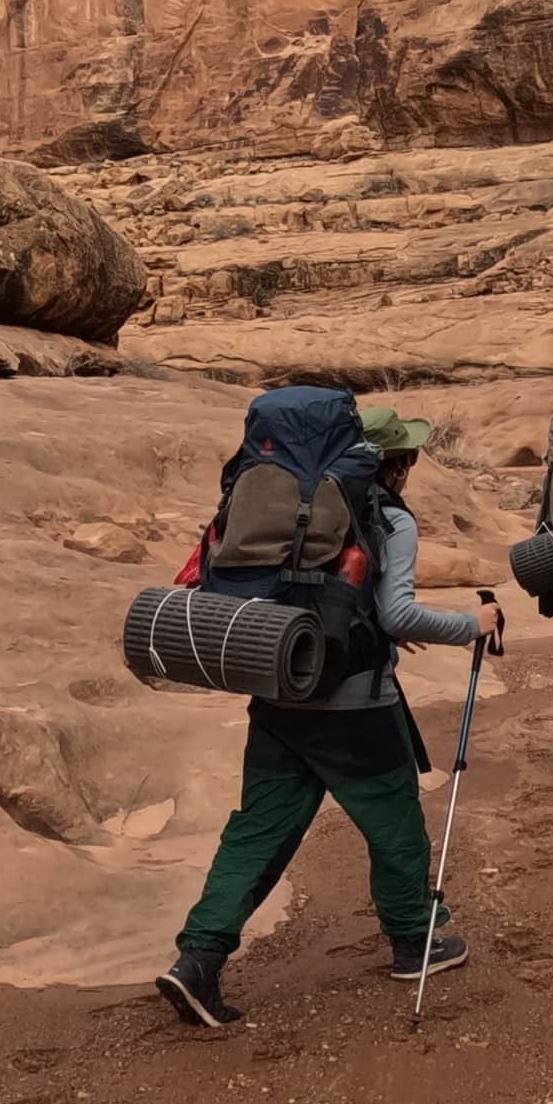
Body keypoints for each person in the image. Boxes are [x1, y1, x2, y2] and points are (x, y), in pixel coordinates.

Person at [156, 407, 501, 1027]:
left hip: (278, 691)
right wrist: (468, 626)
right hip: (357, 710)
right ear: (396, 464)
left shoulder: (269, 503)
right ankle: (413, 942)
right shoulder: (386, 516)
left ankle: (198, 960)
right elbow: (397, 614)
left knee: (256, 833)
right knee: (395, 828)